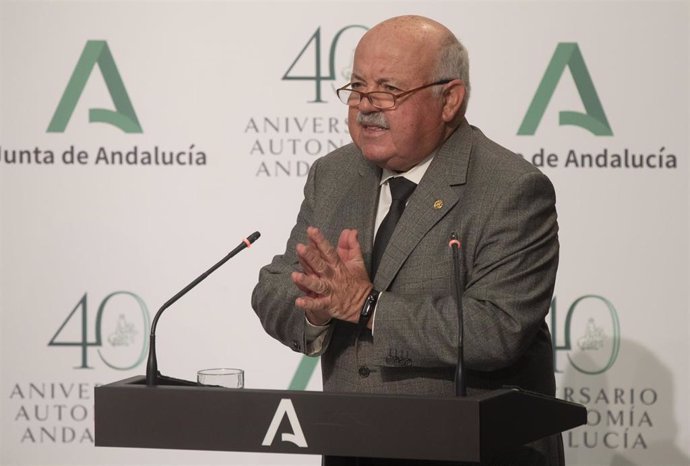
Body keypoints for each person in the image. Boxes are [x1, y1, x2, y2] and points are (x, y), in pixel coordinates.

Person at [252, 15, 563, 466]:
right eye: (357, 87)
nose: (365, 106)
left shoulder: (509, 187)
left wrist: (367, 306)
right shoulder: (335, 174)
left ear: (449, 99)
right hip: (352, 446)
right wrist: (316, 309)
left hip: (473, 451)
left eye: (388, 90)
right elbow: (277, 288)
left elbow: (498, 329)